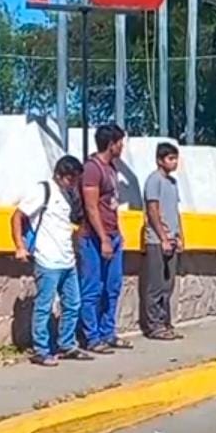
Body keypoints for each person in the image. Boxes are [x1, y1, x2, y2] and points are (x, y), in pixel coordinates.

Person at [10, 155, 93, 366]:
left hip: (67, 260)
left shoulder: (68, 195)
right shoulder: (43, 190)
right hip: (47, 259)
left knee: (73, 303)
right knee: (44, 306)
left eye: (76, 179)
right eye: (70, 179)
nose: (73, 183)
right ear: (59, 175)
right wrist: (20, 246)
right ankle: (41, 349)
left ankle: (66, 343)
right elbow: (17, 216)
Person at [78, 123, 131, 353]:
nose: (122, 147)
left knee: (113, 286)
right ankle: (91, 336)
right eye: (120, 142)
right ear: (111, 144)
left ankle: (108, 331)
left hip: (113, 234)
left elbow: (111, 205)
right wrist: (104, 239)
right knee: (92, 288)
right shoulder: (92, 169)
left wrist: (116, 234)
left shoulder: (112, 168)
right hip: (93, 238)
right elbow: (91, 207)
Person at [140, 142, 183, 340]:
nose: (174, 162)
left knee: (168, 285)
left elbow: (175, 210)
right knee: (155, 284)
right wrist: (163, 237)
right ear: (160, 160)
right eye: (170, 158)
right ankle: (153, 326)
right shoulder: (153, 181)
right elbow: (153, 210)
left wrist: (180, 235)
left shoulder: (173, 183)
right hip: (157, 241)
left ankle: (165, 322)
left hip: (172, 239)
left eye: (175, 158)